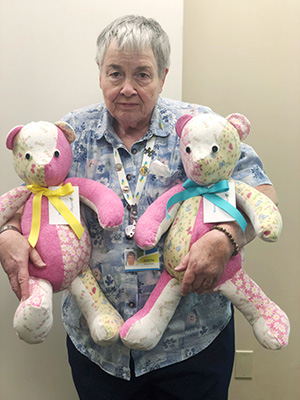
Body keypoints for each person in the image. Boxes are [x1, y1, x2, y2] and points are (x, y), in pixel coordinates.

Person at [0, 15, 277, 400]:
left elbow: (262, 190)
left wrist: (225, 239)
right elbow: (26, 203)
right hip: (100, 350)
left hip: (191, 345)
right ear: (100, 74)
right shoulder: (68, 134)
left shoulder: (200, 126)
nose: (127, 88)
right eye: (116, 73)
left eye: (142, 75)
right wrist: (9, 237)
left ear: (163, 76)